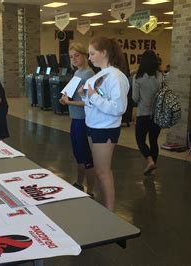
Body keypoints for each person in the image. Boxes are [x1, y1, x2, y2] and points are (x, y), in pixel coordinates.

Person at [80, 36, 129, 211]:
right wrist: (85, 95)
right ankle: (105, 207)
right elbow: (94, 99)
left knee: (103, 171)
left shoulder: (116, 77)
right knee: (100, 171)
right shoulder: (100, 75)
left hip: (105, 128)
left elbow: (118, 108)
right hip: (93, 126)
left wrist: (92, 95)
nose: (90, 57)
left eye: (92, 53)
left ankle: (110, 211)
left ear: (104, 53)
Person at [59, 43, 96, 197]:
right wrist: (64, 99)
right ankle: (79, 183)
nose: (74, 59)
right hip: (75, 119)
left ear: (85, 55)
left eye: (77, 55)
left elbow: (89, 101)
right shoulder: (77, 73)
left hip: (83, 121)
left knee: (86, 156)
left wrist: (69, 103)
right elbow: (70, 94)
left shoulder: (88, 74)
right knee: (78, 154)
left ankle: (91, 191)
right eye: (71, 56)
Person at [132, 50, 162, 176]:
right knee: (154, 141)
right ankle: (153, 168)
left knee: (140, 140)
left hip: (143, 114)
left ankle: (149, 161)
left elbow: (135, 98)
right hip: (157, 114)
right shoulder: (160, 75)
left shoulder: (137, 77)